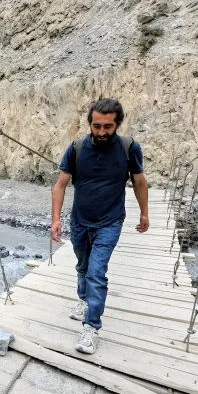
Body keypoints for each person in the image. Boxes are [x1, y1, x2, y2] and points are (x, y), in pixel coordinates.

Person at [51, 98, 149, 354]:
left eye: (108, 126)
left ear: (117, 124)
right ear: (90, 124)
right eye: (97, 126)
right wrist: (56, 218)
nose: (102, 132)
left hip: (110, 221)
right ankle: (84, 300)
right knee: (83, 266)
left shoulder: (129, 148)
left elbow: (139, 181)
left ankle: (91, 327)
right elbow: (60, 184)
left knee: (96, 272)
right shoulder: (77, 148)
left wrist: (145, 214)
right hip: (80, 220)